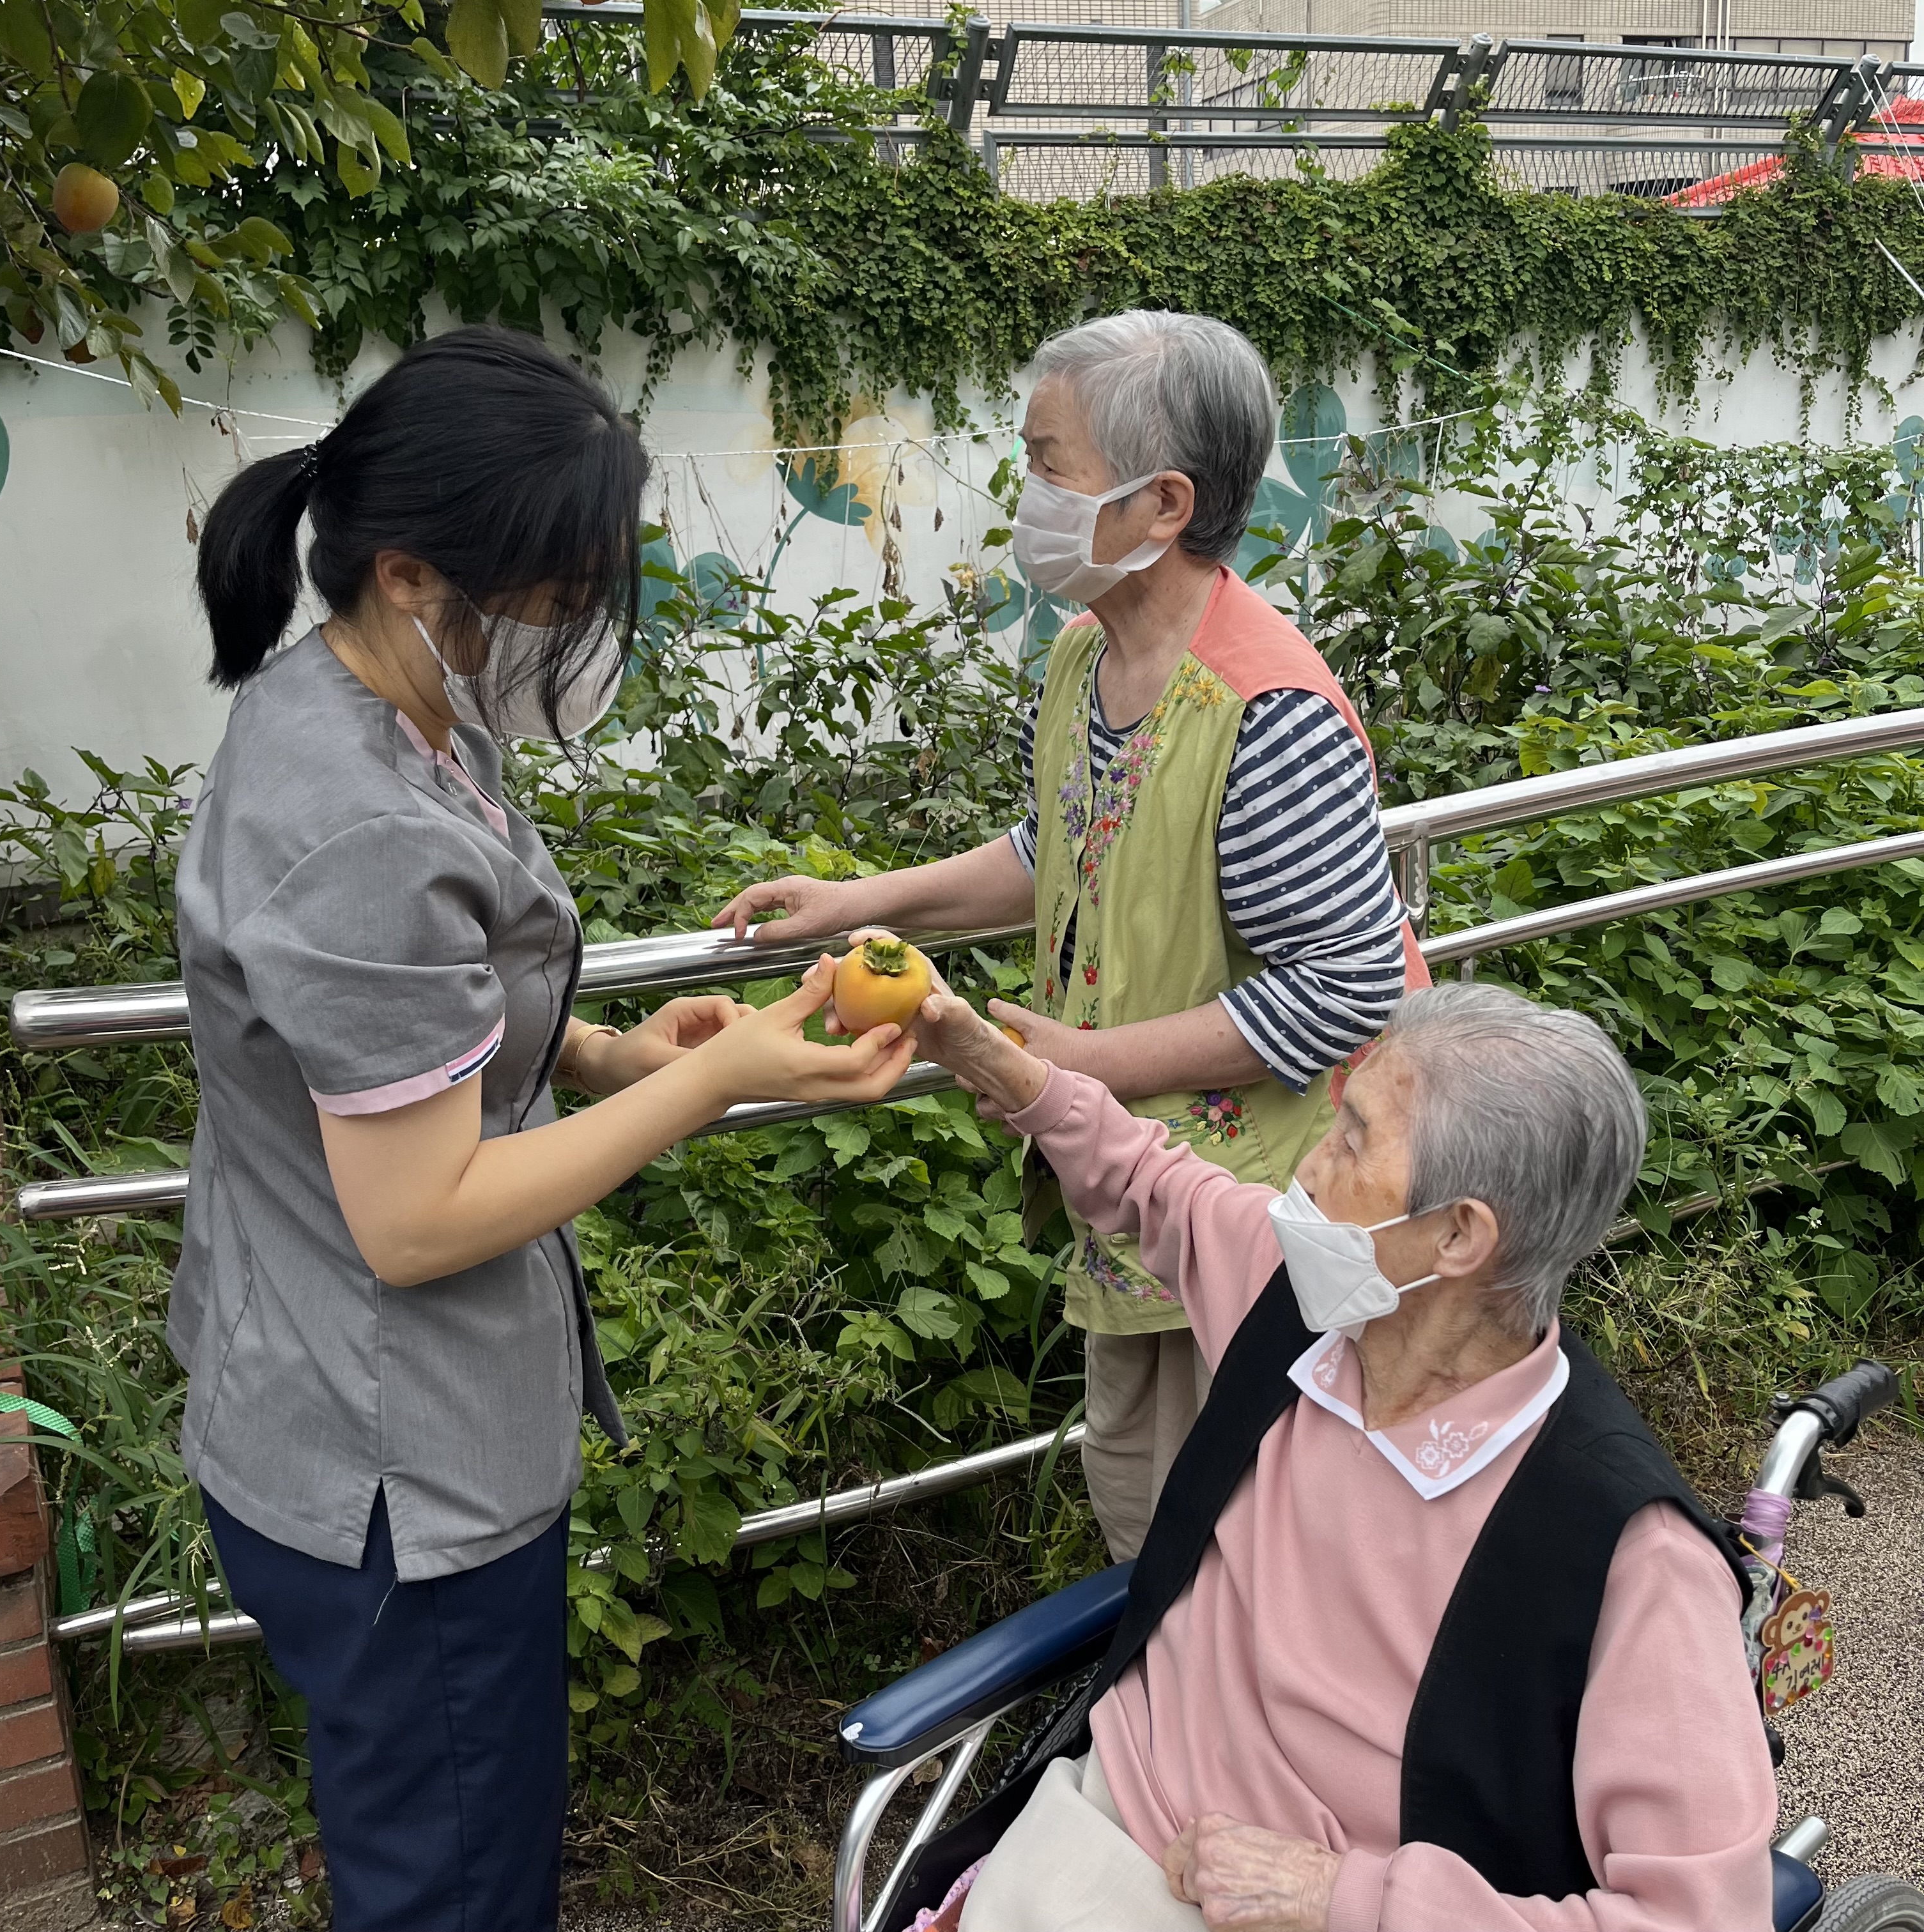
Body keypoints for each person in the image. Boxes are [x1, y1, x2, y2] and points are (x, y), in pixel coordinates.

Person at [171, 326, 915, 1932]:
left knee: (436, 1846)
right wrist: (708, 1083)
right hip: (398, 1474)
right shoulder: (362, 823)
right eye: (560, 598)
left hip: (329, 1404)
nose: (577, 634)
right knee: (454, 1884)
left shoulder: (371, 706)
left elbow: (393, 1032)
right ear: (412, 576)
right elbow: (417, 1216)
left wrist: (599, 1050)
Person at [714, 310, 1426, 1561]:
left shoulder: (1265, 711)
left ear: (1163, 505)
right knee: (1146, 1529)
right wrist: (863, 900)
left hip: (1258, 1230)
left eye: (1049, 464)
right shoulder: (1087, 657)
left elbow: (1349, 983)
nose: (1025, 492)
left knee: (1246, 1555)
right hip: (1131, 1200)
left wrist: (1082, 1069)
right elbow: (1066, 850)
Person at [907, 979, 1776, 1932]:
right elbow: (1151, 1182)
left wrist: (1340, 1897)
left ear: (1459, 1235)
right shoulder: (1305, 1309)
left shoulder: (1629, 1555)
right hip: (1093, 1821)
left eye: (1353, 1140)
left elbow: (1700, 1919)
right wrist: (985, 1055)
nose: (1308, 1170)